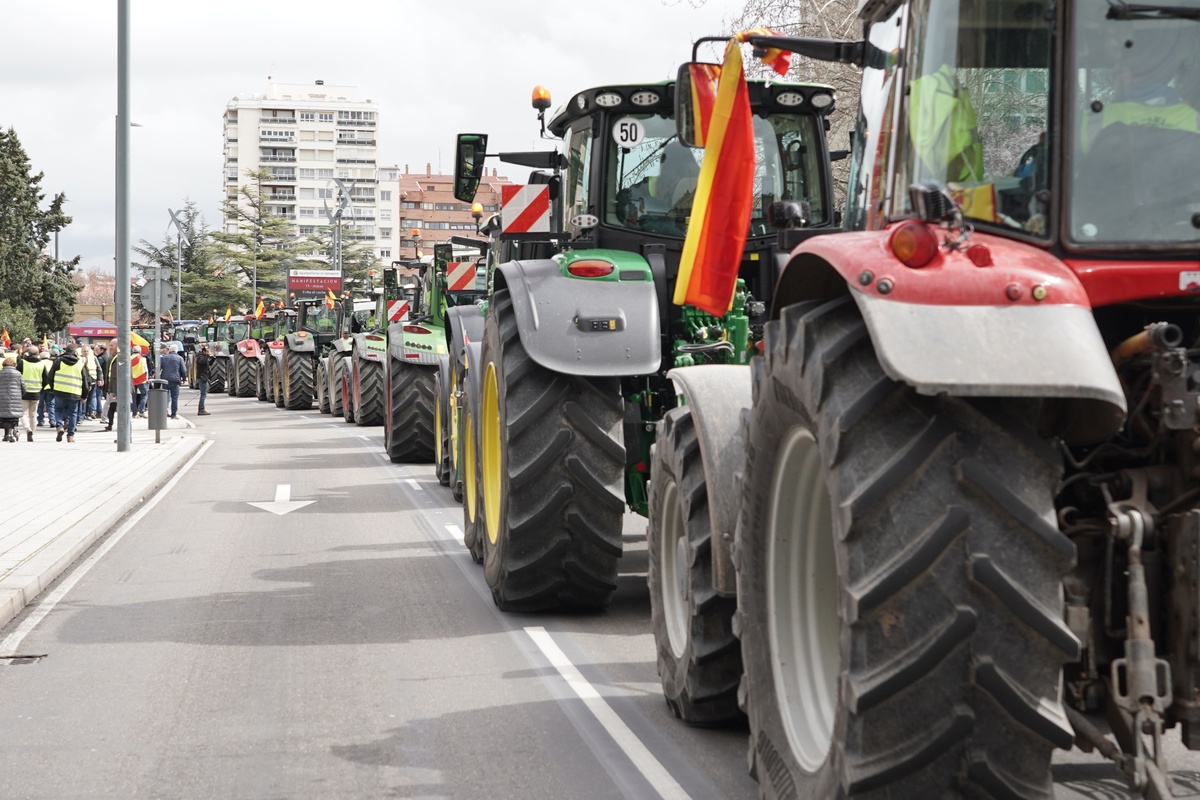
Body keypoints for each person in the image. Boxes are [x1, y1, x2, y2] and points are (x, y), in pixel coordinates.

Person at [45, 343, 91, 442]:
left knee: (58, 410)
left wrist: (54, 388)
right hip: (74, 392)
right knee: (73, 413)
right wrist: (84, 396)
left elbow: (50, 376)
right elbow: (85, 382)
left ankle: (60, 426)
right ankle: (70, 436)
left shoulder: (58, 361)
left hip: (59, 391)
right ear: (75, 352)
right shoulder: (80, 363)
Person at [19, 346, 45, 441]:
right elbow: (45, 378)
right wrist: (41, 389)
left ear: (28, 353)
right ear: (38, 353)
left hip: (24, 391)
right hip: (36, 392)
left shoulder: (22, 362)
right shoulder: (41, 364)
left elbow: (18, 375)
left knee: (23, 413)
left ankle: (27, 428)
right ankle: (32, 433)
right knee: (33, 414)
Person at [158, 344, 187, 419]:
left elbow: (159, 368)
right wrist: (184, 378)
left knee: (165, 397)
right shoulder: (179, 358)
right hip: (175, 380)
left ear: (170, 350)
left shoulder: (164, 358)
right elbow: (183, 370)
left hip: (165, 380)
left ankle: (164, 413)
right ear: (176, 350)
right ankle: (173, 414)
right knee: (175, 398)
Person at [0, 354, 23, 442]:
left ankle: (7, 435)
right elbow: (23, 386)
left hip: (1, 397)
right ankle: (9, 434)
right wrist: (20, 394)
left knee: (4, 416)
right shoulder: (18, 374)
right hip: (15, 397)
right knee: (11, 418)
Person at [195, 344, 211, 415]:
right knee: (203, 394)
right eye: (207, 352)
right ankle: (201, 409)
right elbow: (202, 362)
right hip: (201, 377)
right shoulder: (200, 357)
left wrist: (212, 358)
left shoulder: (203, 357)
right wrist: (207, 356)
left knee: (203, 394)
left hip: (204, 377)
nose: (209, 353)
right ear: (204, 352)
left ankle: (201, 409)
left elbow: (207, 364)